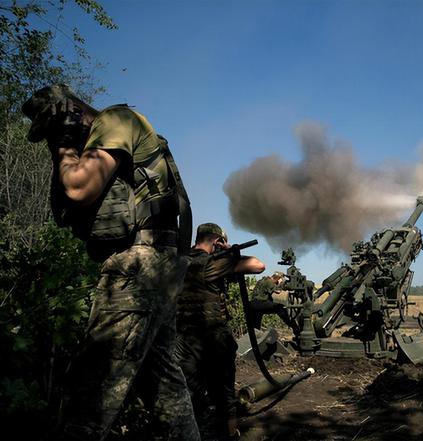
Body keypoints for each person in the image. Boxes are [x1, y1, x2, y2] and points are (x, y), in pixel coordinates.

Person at [22, 84, 199, 440]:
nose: (51, 140)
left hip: (138, 266)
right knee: (163, 385)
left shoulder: (114, 120)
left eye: (52, 128)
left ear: (68, 112)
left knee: (92, 385)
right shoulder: (116, 130)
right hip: (157, 264)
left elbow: (78, 187)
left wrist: (65, 145)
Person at [175, 223, 265, 440]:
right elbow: (258, 265)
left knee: (190, 389)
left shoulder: (179, 260)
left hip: (183, 338)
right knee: (224, 392)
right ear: (216, 241)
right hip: (214, 338)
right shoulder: (211, 263)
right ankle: (231, 433)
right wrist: (228, 253)